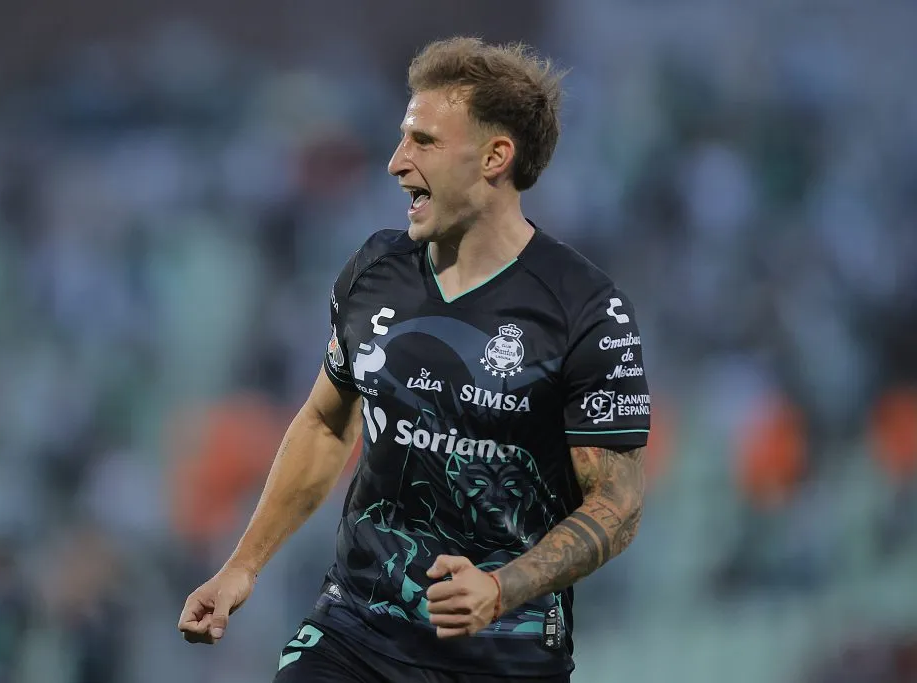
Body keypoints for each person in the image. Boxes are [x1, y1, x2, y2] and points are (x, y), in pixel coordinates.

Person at [178, 36, 651, 682]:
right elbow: (324, 423)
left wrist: (501, 587)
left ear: (495, 156)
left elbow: (618, 503)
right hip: (356, 628)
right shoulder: (375, 271)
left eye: (424, 142)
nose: (397, 162)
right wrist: (243, 565)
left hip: (504, 653)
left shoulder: (586, 310)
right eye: (404, 138)